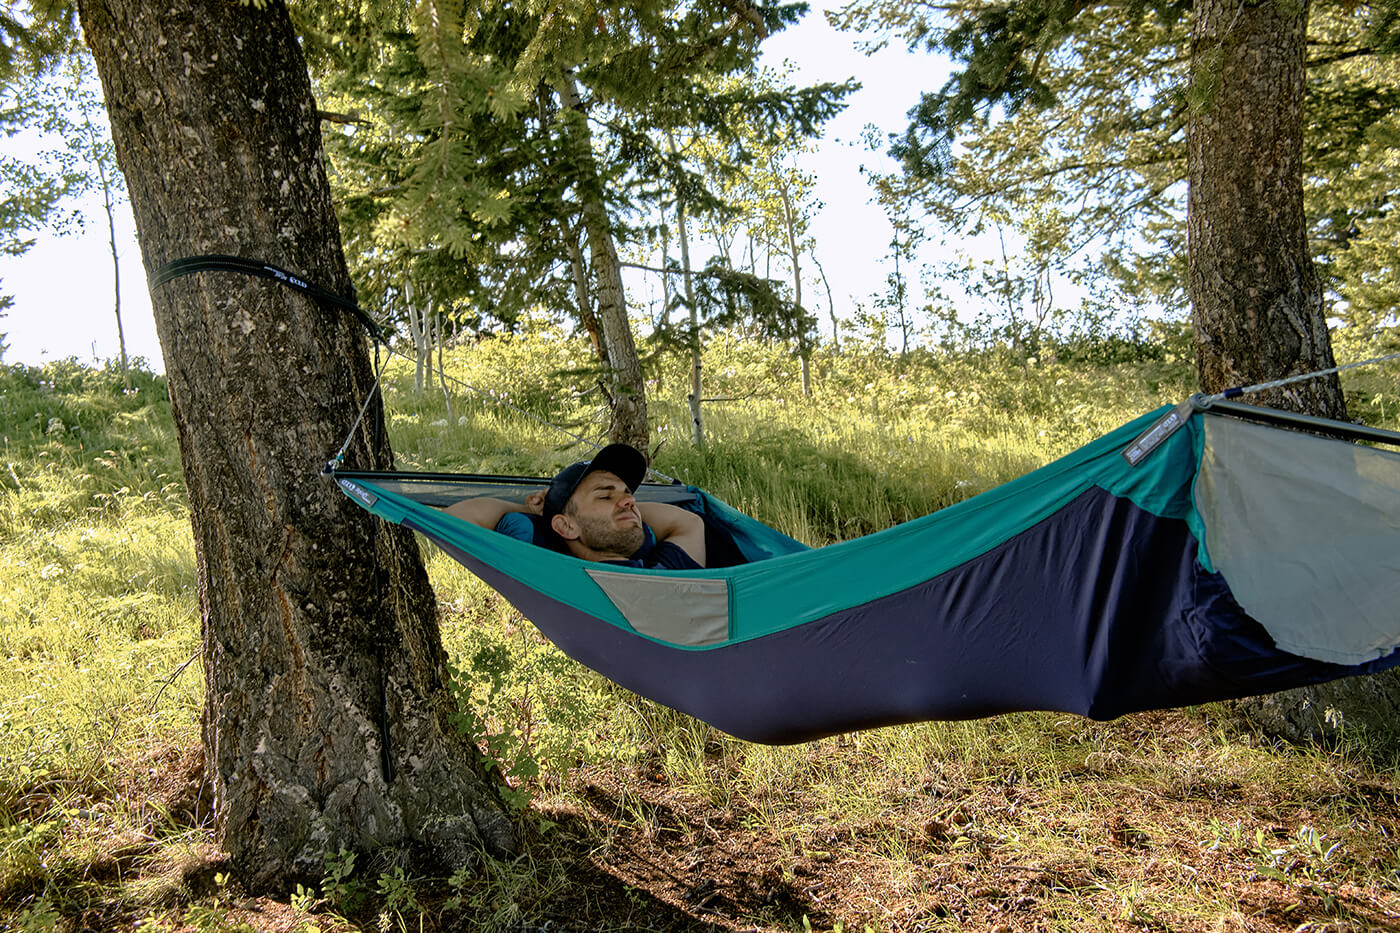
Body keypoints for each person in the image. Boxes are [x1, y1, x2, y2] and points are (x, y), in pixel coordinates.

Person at [444, 444, 707, 569]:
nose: (630, 501)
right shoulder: (555, 577)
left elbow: (689, 522)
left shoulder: (667, 568)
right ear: (566, 526)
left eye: (628, 494)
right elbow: (453, 521)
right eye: (605, 496)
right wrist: (547, 512)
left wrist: (619, 510)